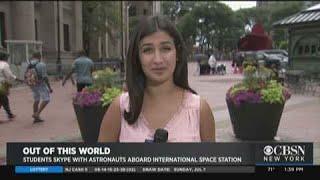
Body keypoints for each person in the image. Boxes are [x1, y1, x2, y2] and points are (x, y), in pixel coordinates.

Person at [98, 16, 215, 142]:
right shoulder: (120, 108)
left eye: (166, 49)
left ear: (178, 54)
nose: (158, 60)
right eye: (147, 50)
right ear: (137, 57)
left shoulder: (199, 110)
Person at [27, 52, 53, 123]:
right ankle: (37, 113)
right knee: (46, 99)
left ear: (33, 56)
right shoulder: (42, 64)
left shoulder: (29, 64)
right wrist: (49, 87)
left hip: (32, 84)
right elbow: (45, 77)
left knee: (36, 99)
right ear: (40, 56)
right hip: (40, 84)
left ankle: (36, 118)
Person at [0, 51, 23, 120]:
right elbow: (9, 75)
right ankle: (9, 114)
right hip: (1, 85)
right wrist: (18, 79)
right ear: (4, 57)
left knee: (2, 100)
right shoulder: (4, 64)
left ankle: (10, 114)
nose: (7, 58)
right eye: (7, 57)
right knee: (4, 100)